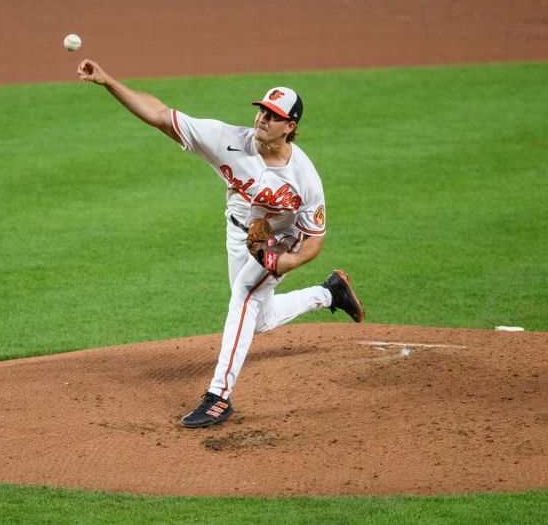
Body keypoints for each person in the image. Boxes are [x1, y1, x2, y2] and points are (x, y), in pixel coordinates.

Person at [77, 59, 364, 428]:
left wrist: (285, 262)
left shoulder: (304, 178)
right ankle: (330, 292)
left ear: (290, 127)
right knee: (260, 318)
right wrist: (107, 81)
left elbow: (315, 239)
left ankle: (218, 397)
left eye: (273, 116)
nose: (262, 119)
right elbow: (161, 115)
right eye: (262, 111)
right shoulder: (227, 140)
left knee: (245, 293)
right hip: (241, 232)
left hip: (281, 239)